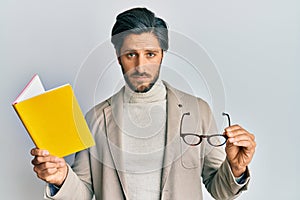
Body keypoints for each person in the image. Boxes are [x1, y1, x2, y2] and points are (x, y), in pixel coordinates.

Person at [30, 7, 256, 200]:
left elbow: (219, 189)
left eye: (150, 54)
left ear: (162, 55)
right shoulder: (95, 118)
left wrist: (236, 168)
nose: (141, 65)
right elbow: (84, 191)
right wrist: (61, 178)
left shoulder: (198, 110)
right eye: (131, 55)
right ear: (118, 57)